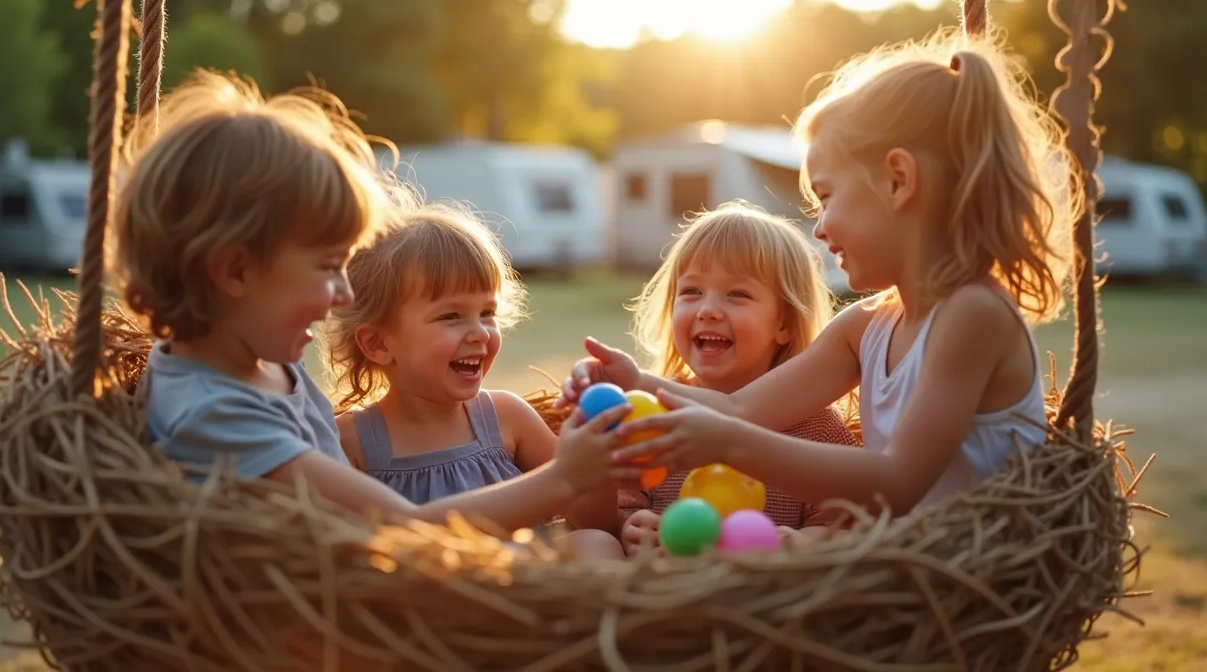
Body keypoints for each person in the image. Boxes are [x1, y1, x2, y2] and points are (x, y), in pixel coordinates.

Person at [560, 33, 1078, 529]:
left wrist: (728, 444)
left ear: (898, 180)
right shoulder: (868, 324)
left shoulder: (973, 314)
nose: (820, 227)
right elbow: (743, 408)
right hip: (903, 573)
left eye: (827, 196)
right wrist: (637, 381)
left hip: (966, 584)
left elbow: (898, 480)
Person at [111, 70, 627, 541]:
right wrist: (564, 477)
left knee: (592, 545)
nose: (343, 294)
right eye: (327, 266)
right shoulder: (214, 413)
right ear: (236, 272)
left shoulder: (259, 359)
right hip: (377, 611)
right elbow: (406, 530)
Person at [321, 191, 623, 559]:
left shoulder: (506, 417)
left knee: (597, 544)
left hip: (532, 589)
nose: (480, 332)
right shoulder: (351, 442)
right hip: (431, 603)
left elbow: (599, 519)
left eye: (487, 313)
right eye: (451, 316)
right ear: (378, 343)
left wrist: (600, 456)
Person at [614, 202, 859, 556]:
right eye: (691, 292)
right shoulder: (653, 414)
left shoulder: (815, 424)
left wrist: (799, 543)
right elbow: (623, 499)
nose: (708, 310)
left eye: (737, 294)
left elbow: (845, 522)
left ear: (784, 325)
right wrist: (632, 524)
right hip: (666, 592)